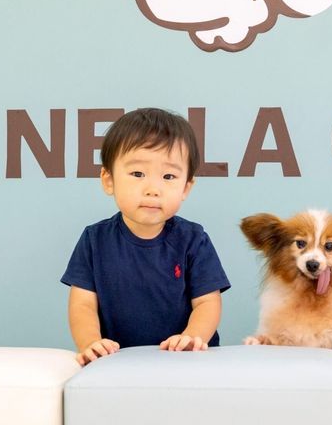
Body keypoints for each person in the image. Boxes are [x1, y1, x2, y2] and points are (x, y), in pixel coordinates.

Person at [61, 108, 230, 365]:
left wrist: (192, 337)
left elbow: (208, 301)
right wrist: (91, 343)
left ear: (186, 188)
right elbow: (82, 305)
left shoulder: (194, 239)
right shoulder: (94, 240)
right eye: (138, 174)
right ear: (108, 180)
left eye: (169, 176)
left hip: (185, 362)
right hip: (118, 362)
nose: (153, 189)